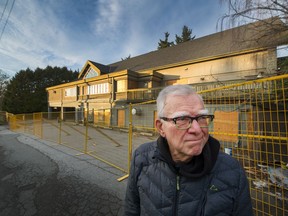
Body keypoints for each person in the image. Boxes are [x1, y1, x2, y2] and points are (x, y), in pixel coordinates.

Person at [124, 84, 253, 216]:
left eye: (202, 118)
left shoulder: (232, 171)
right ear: (161, 128)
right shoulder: (141, 158)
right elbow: (131, 210)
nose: (197, 129)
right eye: (182, 119)